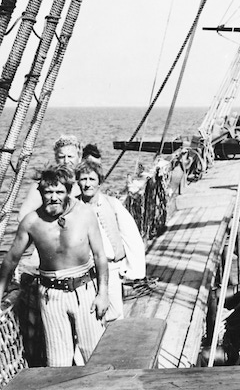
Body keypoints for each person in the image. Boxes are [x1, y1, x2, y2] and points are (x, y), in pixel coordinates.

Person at [0, 165, 109, 367]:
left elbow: (100, 256)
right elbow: (11, 259)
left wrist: (103, 294)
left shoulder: (85, 214)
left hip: (84, 291)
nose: (54, 197)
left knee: (94, 354)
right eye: (48, 192)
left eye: (59, 192)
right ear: (40, 192)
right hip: (51, 296)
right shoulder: (31, 222)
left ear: (68, 191)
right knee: (58, 361)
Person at [14, 135, 85, 366]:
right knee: (56, 336)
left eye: (70, 156)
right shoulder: (46, 187)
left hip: (78, 267)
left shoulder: (78, 183)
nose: (66, 160)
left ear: (79, 157)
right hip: (48, 263)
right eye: (61, 156)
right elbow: (23, 216)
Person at [76, 159, 146, 322]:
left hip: (111, 268)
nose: (87, 184)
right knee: (88, 314)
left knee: (114, 314)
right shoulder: (73, 207)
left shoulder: (112, 204)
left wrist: (132, 271)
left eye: (92, 179)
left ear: (99, 182)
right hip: (84, 270)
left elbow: (131, 237)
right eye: (83, 179)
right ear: (77, 181)